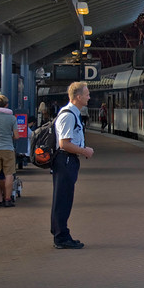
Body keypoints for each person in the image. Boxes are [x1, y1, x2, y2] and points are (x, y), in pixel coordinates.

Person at [51, 81, 94, 250]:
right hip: (65, 160)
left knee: (63, 198)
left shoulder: (72, 113)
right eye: (87, 94)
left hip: (67, 160)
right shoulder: (69, 115)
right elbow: (64, 144)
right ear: (78, 96)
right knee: (63, 199)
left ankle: (60, 232)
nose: (89, 97)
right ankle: (61, 237)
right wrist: (84, 151)